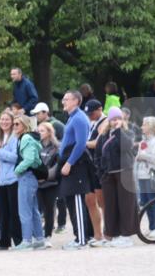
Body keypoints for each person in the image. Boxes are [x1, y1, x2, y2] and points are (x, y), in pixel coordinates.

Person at [97, 107, 139, 247]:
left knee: (126, 204)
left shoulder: (128, 133)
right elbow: (99, 155)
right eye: (113, 119)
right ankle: (112, 234)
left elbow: (126, 146)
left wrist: (119, 131)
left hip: (124, 172)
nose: (116, 121)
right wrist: (101, 173)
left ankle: (126, 235)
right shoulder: (104, 135)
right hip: (109, 175)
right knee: (110, 206)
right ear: (109, 120)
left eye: (118, 118)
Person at [58, 90, 94, 249]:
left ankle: (82, 239)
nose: (63, 102)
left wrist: (69, 163)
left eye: (66, 99)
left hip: (76, 165)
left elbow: (80, 144)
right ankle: (78, 236)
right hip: (69, 162)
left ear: (76, 101)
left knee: (78, 201)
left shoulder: (79, 118)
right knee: (71, 201)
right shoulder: (72, 118)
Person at [0, 110, 23, 250]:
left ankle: (19, 241)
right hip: (2, 180)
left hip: (13, 179)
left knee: (14, 212)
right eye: (2, 119)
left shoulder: (14, 137)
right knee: (3, 212)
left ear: (12, 122)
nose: (4, 122)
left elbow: (15, 157)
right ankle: (3, 241)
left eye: (7, 120)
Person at [13, 115, 46, 250]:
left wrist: (17, 170)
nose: (14, 126)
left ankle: (26, 240)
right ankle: (39, 239)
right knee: (33, 209)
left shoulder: (26, 138)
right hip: (30, 177)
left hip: (26, 176)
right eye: (14, 124)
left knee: (25, 210)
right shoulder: (28, 138)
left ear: (25, 126)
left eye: (17, 124)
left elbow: (30, 159)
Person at [134, 116, 155, 236]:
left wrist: (143, 156)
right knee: (146, 202)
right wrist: (140, 156)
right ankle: (152, 226)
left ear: (151, 127)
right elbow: (138, 157)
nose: (142, 127)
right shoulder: (143, 141)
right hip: (142, 175)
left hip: (152, 175)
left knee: (153, 200)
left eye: (144, 124)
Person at [83, 99, 107, 246]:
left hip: (99, 165)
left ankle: (107, 233)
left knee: (102, 201)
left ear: (100, 109)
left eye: (92, 113)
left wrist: (81, 144)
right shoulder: (91, 122)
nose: (90, 116)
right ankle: (97, 234)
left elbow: (97, 142)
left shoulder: (105, 122)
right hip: (89, 166)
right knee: (90, 201)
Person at [35, 122, 61, 243]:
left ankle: (48, 236)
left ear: (49, 132)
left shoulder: (57, 148)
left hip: (51, 184)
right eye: (38, 130)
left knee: (49, 210)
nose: (39, 133)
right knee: (37, 210)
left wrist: (44, 176)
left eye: (42, 131)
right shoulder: (35, 146)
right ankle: (37, 235)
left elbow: (57, 167)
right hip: (37, 184)